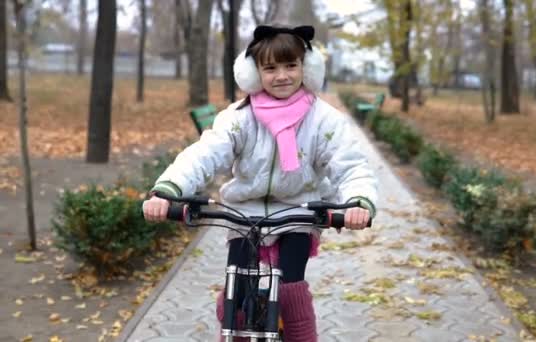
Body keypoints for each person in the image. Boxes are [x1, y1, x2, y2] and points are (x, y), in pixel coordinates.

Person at [142, 25, 377, 342]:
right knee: (235, 292)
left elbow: (349, 164)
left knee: (291, 289)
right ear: (254, 73)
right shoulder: (239, 117)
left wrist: (357, 202)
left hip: (299, 212)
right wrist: (168, 191)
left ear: (306, 68)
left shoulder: (325, 120)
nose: (282, 75)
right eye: (270, 68)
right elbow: (205, 155)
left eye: (291, 65)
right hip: (244, 215)